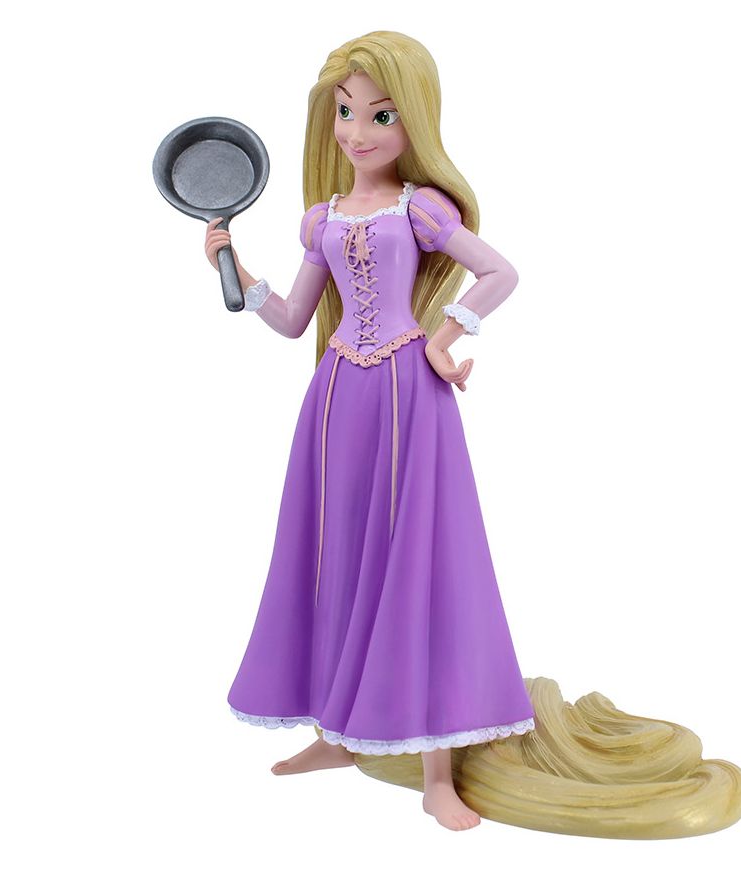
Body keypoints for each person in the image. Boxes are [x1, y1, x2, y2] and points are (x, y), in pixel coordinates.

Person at [205, 31, 535, 832]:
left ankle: (436, 772)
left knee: (418, 561)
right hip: (333, 401)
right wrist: (235, 272)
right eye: (345, 112)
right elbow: (294, 319)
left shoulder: (419, 208)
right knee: (333, 555)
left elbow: (500, 272)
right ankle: (336, 731)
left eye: (380, 114)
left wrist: (444, 338)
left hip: (406, 393)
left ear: (413, 117)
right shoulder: (319, 219)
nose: (358, 131)